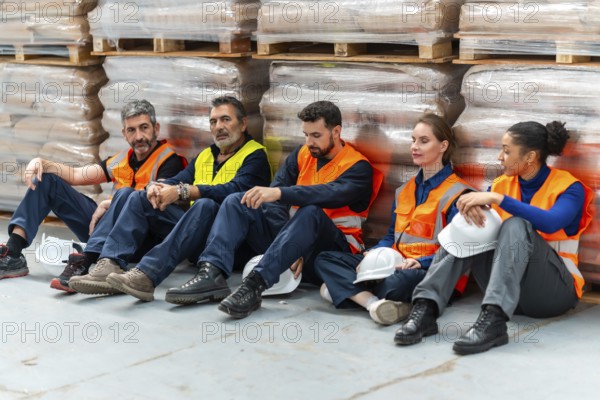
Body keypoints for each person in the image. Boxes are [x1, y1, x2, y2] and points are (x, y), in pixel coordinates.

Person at [148, 100, 382, 318]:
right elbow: (274, 204)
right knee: (237, 201)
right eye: (306, 135)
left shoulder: (358, 168)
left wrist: (280, 193)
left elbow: (324, 194)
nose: (309, 142)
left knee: (310, 211)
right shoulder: (302, 155)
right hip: (293, 256)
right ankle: (212, 273)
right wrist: (291, 245)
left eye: (316, 135)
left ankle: (252, 287)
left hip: (332, 253)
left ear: (337, 132)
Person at [394, 121, 594, 355]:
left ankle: (494, 322)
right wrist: (468, 210)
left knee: (517, 224)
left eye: (507, 151)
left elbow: (551, 222)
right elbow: (477, 225)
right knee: (469, 225)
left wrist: (498, 200)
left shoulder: (569, 188)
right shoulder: (501, 185)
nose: (500, 157)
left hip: (553, 293)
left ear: (530, 156)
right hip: (512, 294)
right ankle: (426, 308)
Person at [69, 96, 271, 298]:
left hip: (230, 247)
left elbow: (234, 190)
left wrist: (185, 191)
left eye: (226, 119)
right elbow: (177, 180)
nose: (219, 126)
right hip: (198, 237)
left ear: (243, 123)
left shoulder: (255, 156)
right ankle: (110, 264)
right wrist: (155, 187)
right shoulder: (206, 155)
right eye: (213, 121)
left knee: (205, 205)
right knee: (140, 197)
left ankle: (147, 275)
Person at [0, 100, 187, 284]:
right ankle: (13, 253)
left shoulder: (169, 160)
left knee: (126, 194)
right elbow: (76, 175)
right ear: (124, 134)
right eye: (131, 130)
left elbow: (156, 197)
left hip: (139, 240)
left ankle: (88, 259)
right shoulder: (120, 160)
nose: (138, 136)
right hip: (104, 233)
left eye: (144, 127)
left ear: (156, 128)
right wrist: (41, 162)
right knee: (47, 180)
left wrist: (110, 203)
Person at [315, 114, 472, 325]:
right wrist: (373, 254)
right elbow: (392, 235)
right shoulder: (404, 191)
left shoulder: (458, 193)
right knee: (325, 260)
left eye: (424, 141)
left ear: (443, 145)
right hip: (393, 263)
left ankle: (350, 292)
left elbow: (457, 249)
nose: (415, 147)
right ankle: (375, 304)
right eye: (413, 140)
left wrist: (420, 262)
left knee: (395, 284)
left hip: (431, 271)